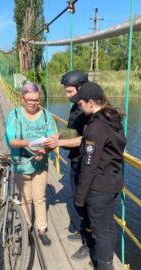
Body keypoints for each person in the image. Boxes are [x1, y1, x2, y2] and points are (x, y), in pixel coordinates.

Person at [69, 82, 126, 270]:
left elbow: (90, 164)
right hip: (113, 182)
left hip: (99, 186)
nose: (79, 106)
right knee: (109, 225)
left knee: (100, 229)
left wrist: (80, 197)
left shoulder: (95, 127)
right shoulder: (113, 118)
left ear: (91, 102)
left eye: (81, 103)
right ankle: (108, 262)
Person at [5, 82, 57, 246]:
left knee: (40, 197)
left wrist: (46, 150)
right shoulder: (13, 115)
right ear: (22, 99)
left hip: (40, 164)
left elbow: (53, 138)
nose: (33, 103)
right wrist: (30, 143)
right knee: (26, 199)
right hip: (21, 163)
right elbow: (11, 141)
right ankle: (28, 228)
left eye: (36, 99)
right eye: (29, 100)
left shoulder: (47, 115)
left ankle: (42, 229)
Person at [57, 70, 92, 260]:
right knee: (77, 198)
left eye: (70, 91)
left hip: (85, 162)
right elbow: (72, 130)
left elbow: (85, 139)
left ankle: (88, 244)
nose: (67, 95)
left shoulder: (88, 109)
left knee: (84, 201)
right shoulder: (76, 107)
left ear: (81, 88)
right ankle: (82, 231)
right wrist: (58, 137)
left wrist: (58, 143)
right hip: (75, 159)